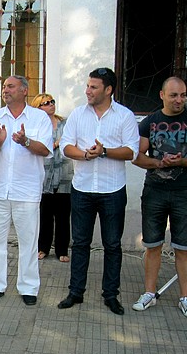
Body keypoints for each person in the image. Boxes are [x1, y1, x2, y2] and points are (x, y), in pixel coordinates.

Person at [57, 67, 139, 315]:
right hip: (82, 188)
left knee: (112, 245)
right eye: (88, 86)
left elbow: (132, 151)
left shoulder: (124, 116)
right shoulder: (78, 114)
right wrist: (84, 155)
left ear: (108, 90)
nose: (88, 91)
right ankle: (75, 292)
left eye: (94, 87)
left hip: (112, 190)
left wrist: (105, 152)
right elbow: (65, 146)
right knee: (80, 243)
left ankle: (111, 295)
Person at [131, 76, 187, 318]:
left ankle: (186, 298)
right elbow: (137, 156)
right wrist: (159, 162)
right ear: (162, 95)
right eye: (174, 95)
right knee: (152, 245)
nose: (179, 100)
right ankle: (149, 293)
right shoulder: (149, 122)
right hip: (154, 191)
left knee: (183, 247)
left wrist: (181, 161)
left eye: (183, 95)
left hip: (183, 191)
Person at [0, 76, 52, 306]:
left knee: (29, 242)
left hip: (27, 190)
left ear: (24, 90)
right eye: (4, 86)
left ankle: (28, 287)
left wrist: (25, 141)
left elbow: (45, 150)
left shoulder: (39, 117)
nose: (5, 90)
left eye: (10, 86)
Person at [29, 93, 72, 262]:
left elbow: (71, 142)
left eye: (52, 101)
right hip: (44, 175)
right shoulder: (37, 125)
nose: (51, 105)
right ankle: (43, 248)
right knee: (45, 215)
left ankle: (62, 250)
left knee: (63, 215)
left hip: (64, 175)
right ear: (38, 107)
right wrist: (55, 144)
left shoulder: (65, 123)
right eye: (46, 103)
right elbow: (38, 148)